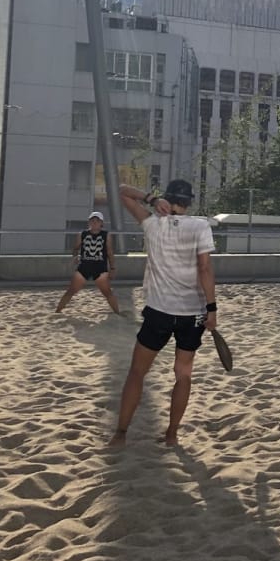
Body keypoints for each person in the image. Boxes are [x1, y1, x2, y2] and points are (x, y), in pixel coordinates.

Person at [109, 179, 217, 447]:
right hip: (192, 314)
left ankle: (121, 434)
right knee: (183, 374)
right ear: (190, 202)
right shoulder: (200, 226)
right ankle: (171, 434)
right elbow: (204, 269)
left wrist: (150, 198)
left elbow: (122, 191)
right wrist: (212, 308)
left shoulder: (151, 223)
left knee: (137, 373)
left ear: (167, 198)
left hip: (159, 311)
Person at [56, 211, 120, 314]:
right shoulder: (82, 234)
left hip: (100, 268)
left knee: (107, 292)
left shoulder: (106, 235)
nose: (94, 223)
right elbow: (75, 248)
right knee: (71, 290)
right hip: (84, 267)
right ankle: (57, 312)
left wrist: (112, 268)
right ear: (89, 222)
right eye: (92, 220)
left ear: (101, 223)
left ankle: (117, 313)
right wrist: (75, 256)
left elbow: (110, 252)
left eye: (97, 221)